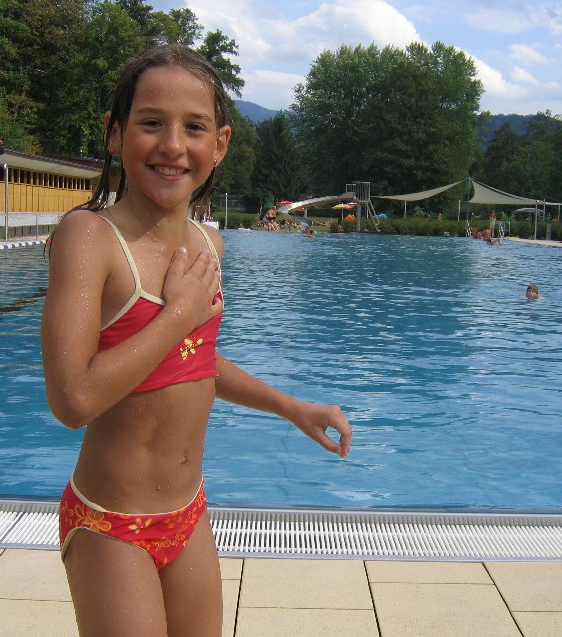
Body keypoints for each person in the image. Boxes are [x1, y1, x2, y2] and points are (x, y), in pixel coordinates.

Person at [41, 44, 352, 637]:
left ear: (221, 144)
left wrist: (290, 407)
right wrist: (178, 314)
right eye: (150, 123)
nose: (173, 145)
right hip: (111, 523)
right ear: (115, 133)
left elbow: (194, 360)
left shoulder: (208, 245)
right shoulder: (90, 238)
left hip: (188, 515)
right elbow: (72, 400)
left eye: (194, 127)